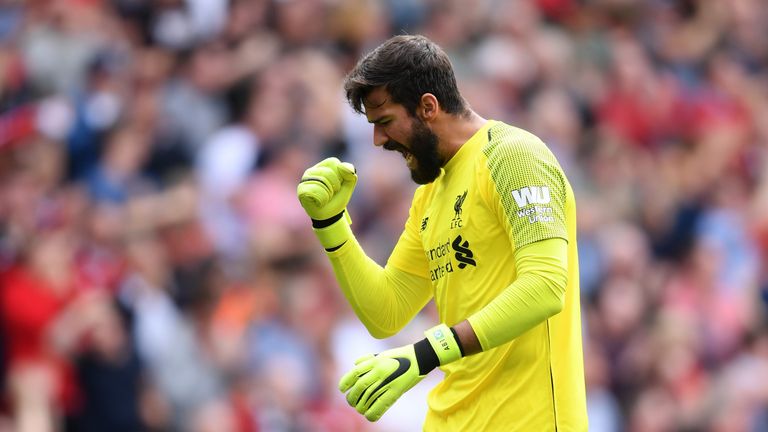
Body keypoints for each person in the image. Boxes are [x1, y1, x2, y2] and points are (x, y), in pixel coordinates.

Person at [296, 35, 587, 431]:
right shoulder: (430, 195)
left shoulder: (513, 157)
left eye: (384, 122)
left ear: (428, 107)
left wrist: (427, 353)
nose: (378, 140)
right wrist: (332, 226)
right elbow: (387, 311)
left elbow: (546, 285)